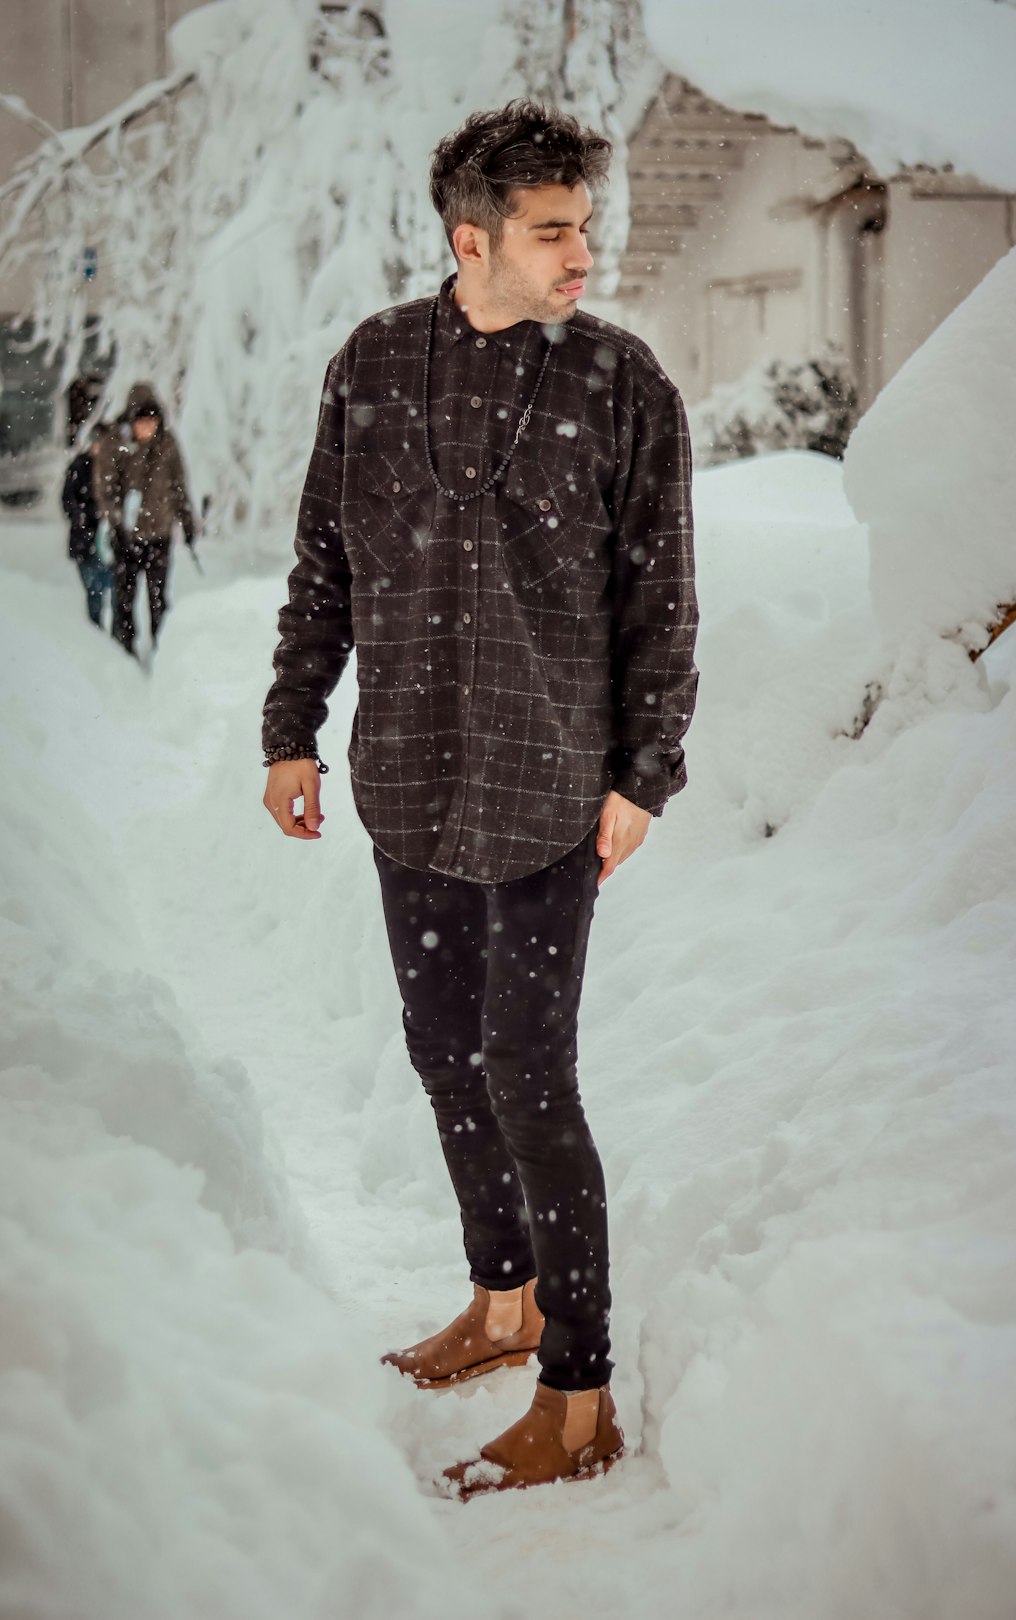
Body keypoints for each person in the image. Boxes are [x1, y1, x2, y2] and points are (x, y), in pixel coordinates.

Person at [261, 100, 699, 1499]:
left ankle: (578, 1393)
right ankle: (500, 1302)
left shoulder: (623, 382)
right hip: (409, 776)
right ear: (474, 237)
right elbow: (324, 559)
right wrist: (291, 729)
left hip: (552, 786)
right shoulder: (377, 364)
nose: (584, 251)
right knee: (444, 1055)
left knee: (529, 1073)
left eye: (586, 224)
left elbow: (663, 599)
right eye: (554, 229)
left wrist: (646, 771)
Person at [92, 383, 196, 657]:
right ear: (131, 420)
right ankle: (123, 652)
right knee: (124, 600)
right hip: (126, 537)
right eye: (142, 422)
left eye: (152, 421)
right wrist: (117, 523)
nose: (147, 428)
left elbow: (180, 486)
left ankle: (162, 651)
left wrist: (188, 522)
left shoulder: (168, 444)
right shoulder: (115, 444)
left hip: (159, 535)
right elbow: (106, 490)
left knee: (158, 598)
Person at [61, 426, 112, 628]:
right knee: (94, 593)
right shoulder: (80, 466)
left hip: (107, 542)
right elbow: (68, 500)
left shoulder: (113, 466)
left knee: (113, 592)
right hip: (85, 541)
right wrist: (85, 518)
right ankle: (95, 635)